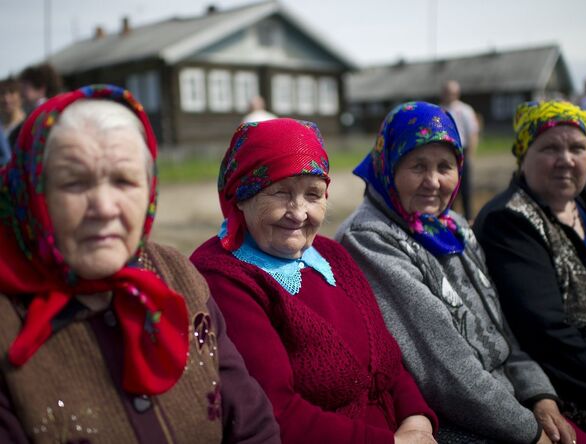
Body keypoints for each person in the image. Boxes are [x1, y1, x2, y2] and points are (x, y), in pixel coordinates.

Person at [0, 84, 281, 443]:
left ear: (149, 189)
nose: (104, 207)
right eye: (74, 183)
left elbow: (254, 427)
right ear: (32, 192)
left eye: (124, 181)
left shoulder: (179, 276)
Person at [335, 101, 586, 443]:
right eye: (417, 166)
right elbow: (444, 370)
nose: (433, 181)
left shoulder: (450, 224)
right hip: (454, 420)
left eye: (445, 166)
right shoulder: (370, 238)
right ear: (388, 166)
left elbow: (500, 328)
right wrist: (528, 430)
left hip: (507, 402)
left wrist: (539, 396)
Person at [190, 118, 438, 444]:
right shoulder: (223, 276)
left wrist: (417, 421)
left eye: (313, 194)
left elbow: (390, 363)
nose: (299, 212)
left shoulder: (330, 253)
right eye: (280, 192)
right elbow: (275, 412)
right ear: (240, 195)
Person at [474, 100, 586, 440]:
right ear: (523, 154)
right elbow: (548, 333)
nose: (567, 160)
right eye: (550, 148)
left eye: (578, 147)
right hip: (571, 391)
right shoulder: (509, 220)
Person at [440, 80, 479, 220]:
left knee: (465, 190)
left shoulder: (465, 110)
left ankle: (469, 219)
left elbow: (473, 133)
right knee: (447, 188)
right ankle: (449, 219)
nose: (448, 95)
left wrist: (469, 156)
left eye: (451, 92)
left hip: (462, 150)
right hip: (445, 151)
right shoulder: (440, 110)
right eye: (446, 92)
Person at [0, 77, 26, 144]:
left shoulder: (27, 124)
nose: (7, 99)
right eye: (2, 93)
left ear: (21, 96)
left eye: (12, 92)